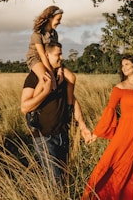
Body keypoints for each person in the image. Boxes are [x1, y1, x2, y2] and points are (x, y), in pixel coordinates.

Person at [82, 54, 133, 200]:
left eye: (127, 65)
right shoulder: (119, 88)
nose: (124, 68)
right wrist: (96, 134)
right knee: (115, 163)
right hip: (127, 133)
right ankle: (98, 194)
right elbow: (109, 110)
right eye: (122, 65)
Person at [21, 41, 92, 185]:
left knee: (64, 179)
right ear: (46, 55)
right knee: (56, 183)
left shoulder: (62, 78)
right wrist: (46, 91)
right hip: (44, 137)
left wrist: (83, 127)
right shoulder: (35, 77)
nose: (61, 57)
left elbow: (73, 102)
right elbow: (24, 106)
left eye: (61, 54)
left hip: (62, 135)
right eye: (57, 55)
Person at [26, 5, 74, 101]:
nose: (59, 22)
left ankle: (69, 105)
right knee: (45, 79)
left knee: (71, 77)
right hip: (36, 58)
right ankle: (32, 110)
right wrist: (52, 75)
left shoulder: (54, 34)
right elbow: (42, 55)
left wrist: (60, 70)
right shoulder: (37, 34)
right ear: (50, 18)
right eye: (58, 19)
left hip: (51, 58)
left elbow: (56, 52)